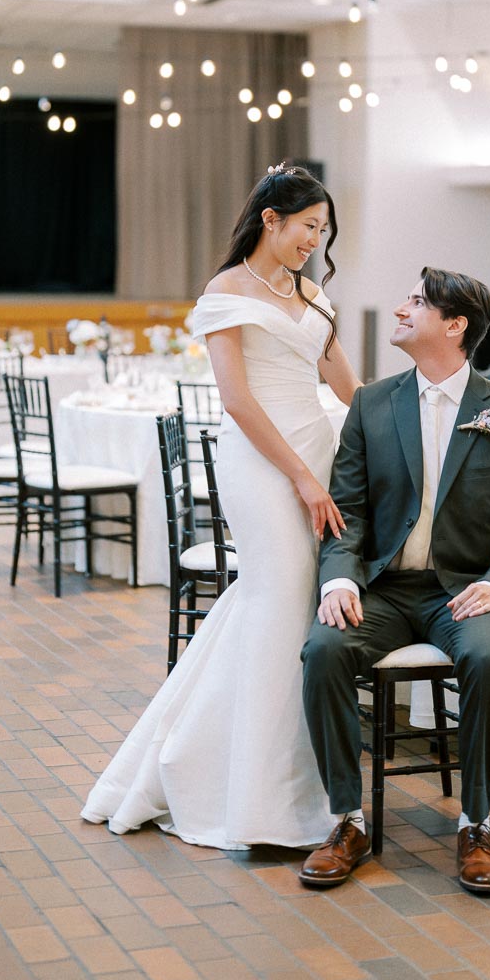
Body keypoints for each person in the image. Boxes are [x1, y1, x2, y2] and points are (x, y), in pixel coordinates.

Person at [81, 164, 362, 848]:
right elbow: (236, 400)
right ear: (271, 219)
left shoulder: (313, 293)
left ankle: (282, 770)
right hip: (264, 464)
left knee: (295, 607)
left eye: (323, 232)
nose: (314, 242)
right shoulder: (227, 290)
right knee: (278, 595)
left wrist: (401, 435)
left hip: (316, 452)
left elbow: (347, 384)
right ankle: (256, 795)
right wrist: (299, 476)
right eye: (307, 228)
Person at [299, 267, 490, 894]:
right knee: (324, 650)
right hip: (383, 590)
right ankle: (348, 819)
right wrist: (339, 581)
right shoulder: (371, 403)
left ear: (455, 324)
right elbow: (348, 511)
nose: (401, 308)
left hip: (464, 591)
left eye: (417, 301)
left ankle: (475, 824)